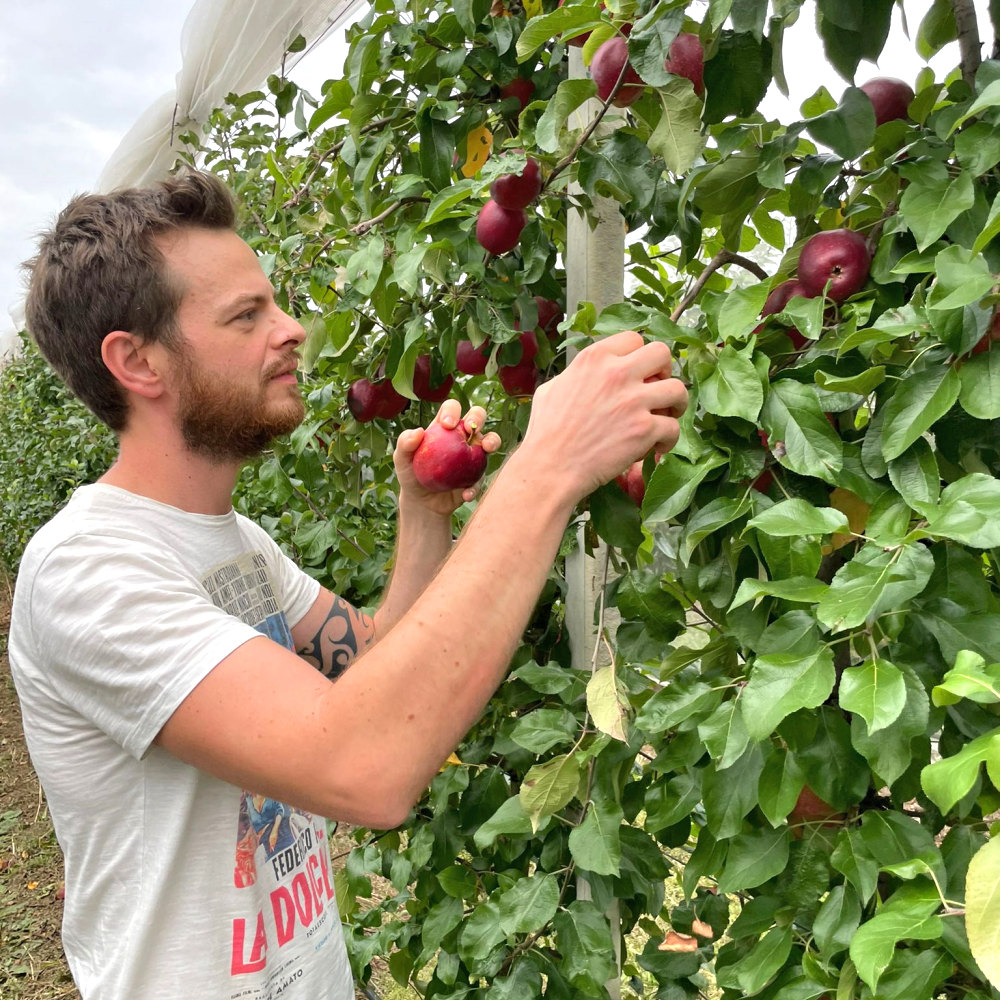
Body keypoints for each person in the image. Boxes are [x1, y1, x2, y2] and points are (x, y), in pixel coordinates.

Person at [8, 170, 688, 1000]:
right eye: (246, 315)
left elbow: (368, 667)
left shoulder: (237, 544)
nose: (291, 329)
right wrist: (546, 468)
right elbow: (363, 764)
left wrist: (427, 513)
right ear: (137, 361)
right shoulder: (88, 569)